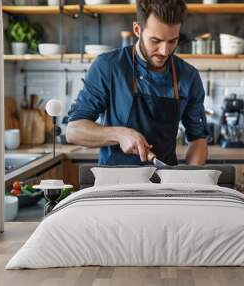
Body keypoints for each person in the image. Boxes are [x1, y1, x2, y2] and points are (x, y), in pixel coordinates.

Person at [66, 0, 208, 166]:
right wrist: (119, 135)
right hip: (114, 185)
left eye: (172, 41)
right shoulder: (109, 66)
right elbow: (74, 130)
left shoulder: (188, 76)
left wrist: (190, 184)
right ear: (137, 30)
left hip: (165, 184)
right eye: (155, 41)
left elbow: (198, 139)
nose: (164, 51)